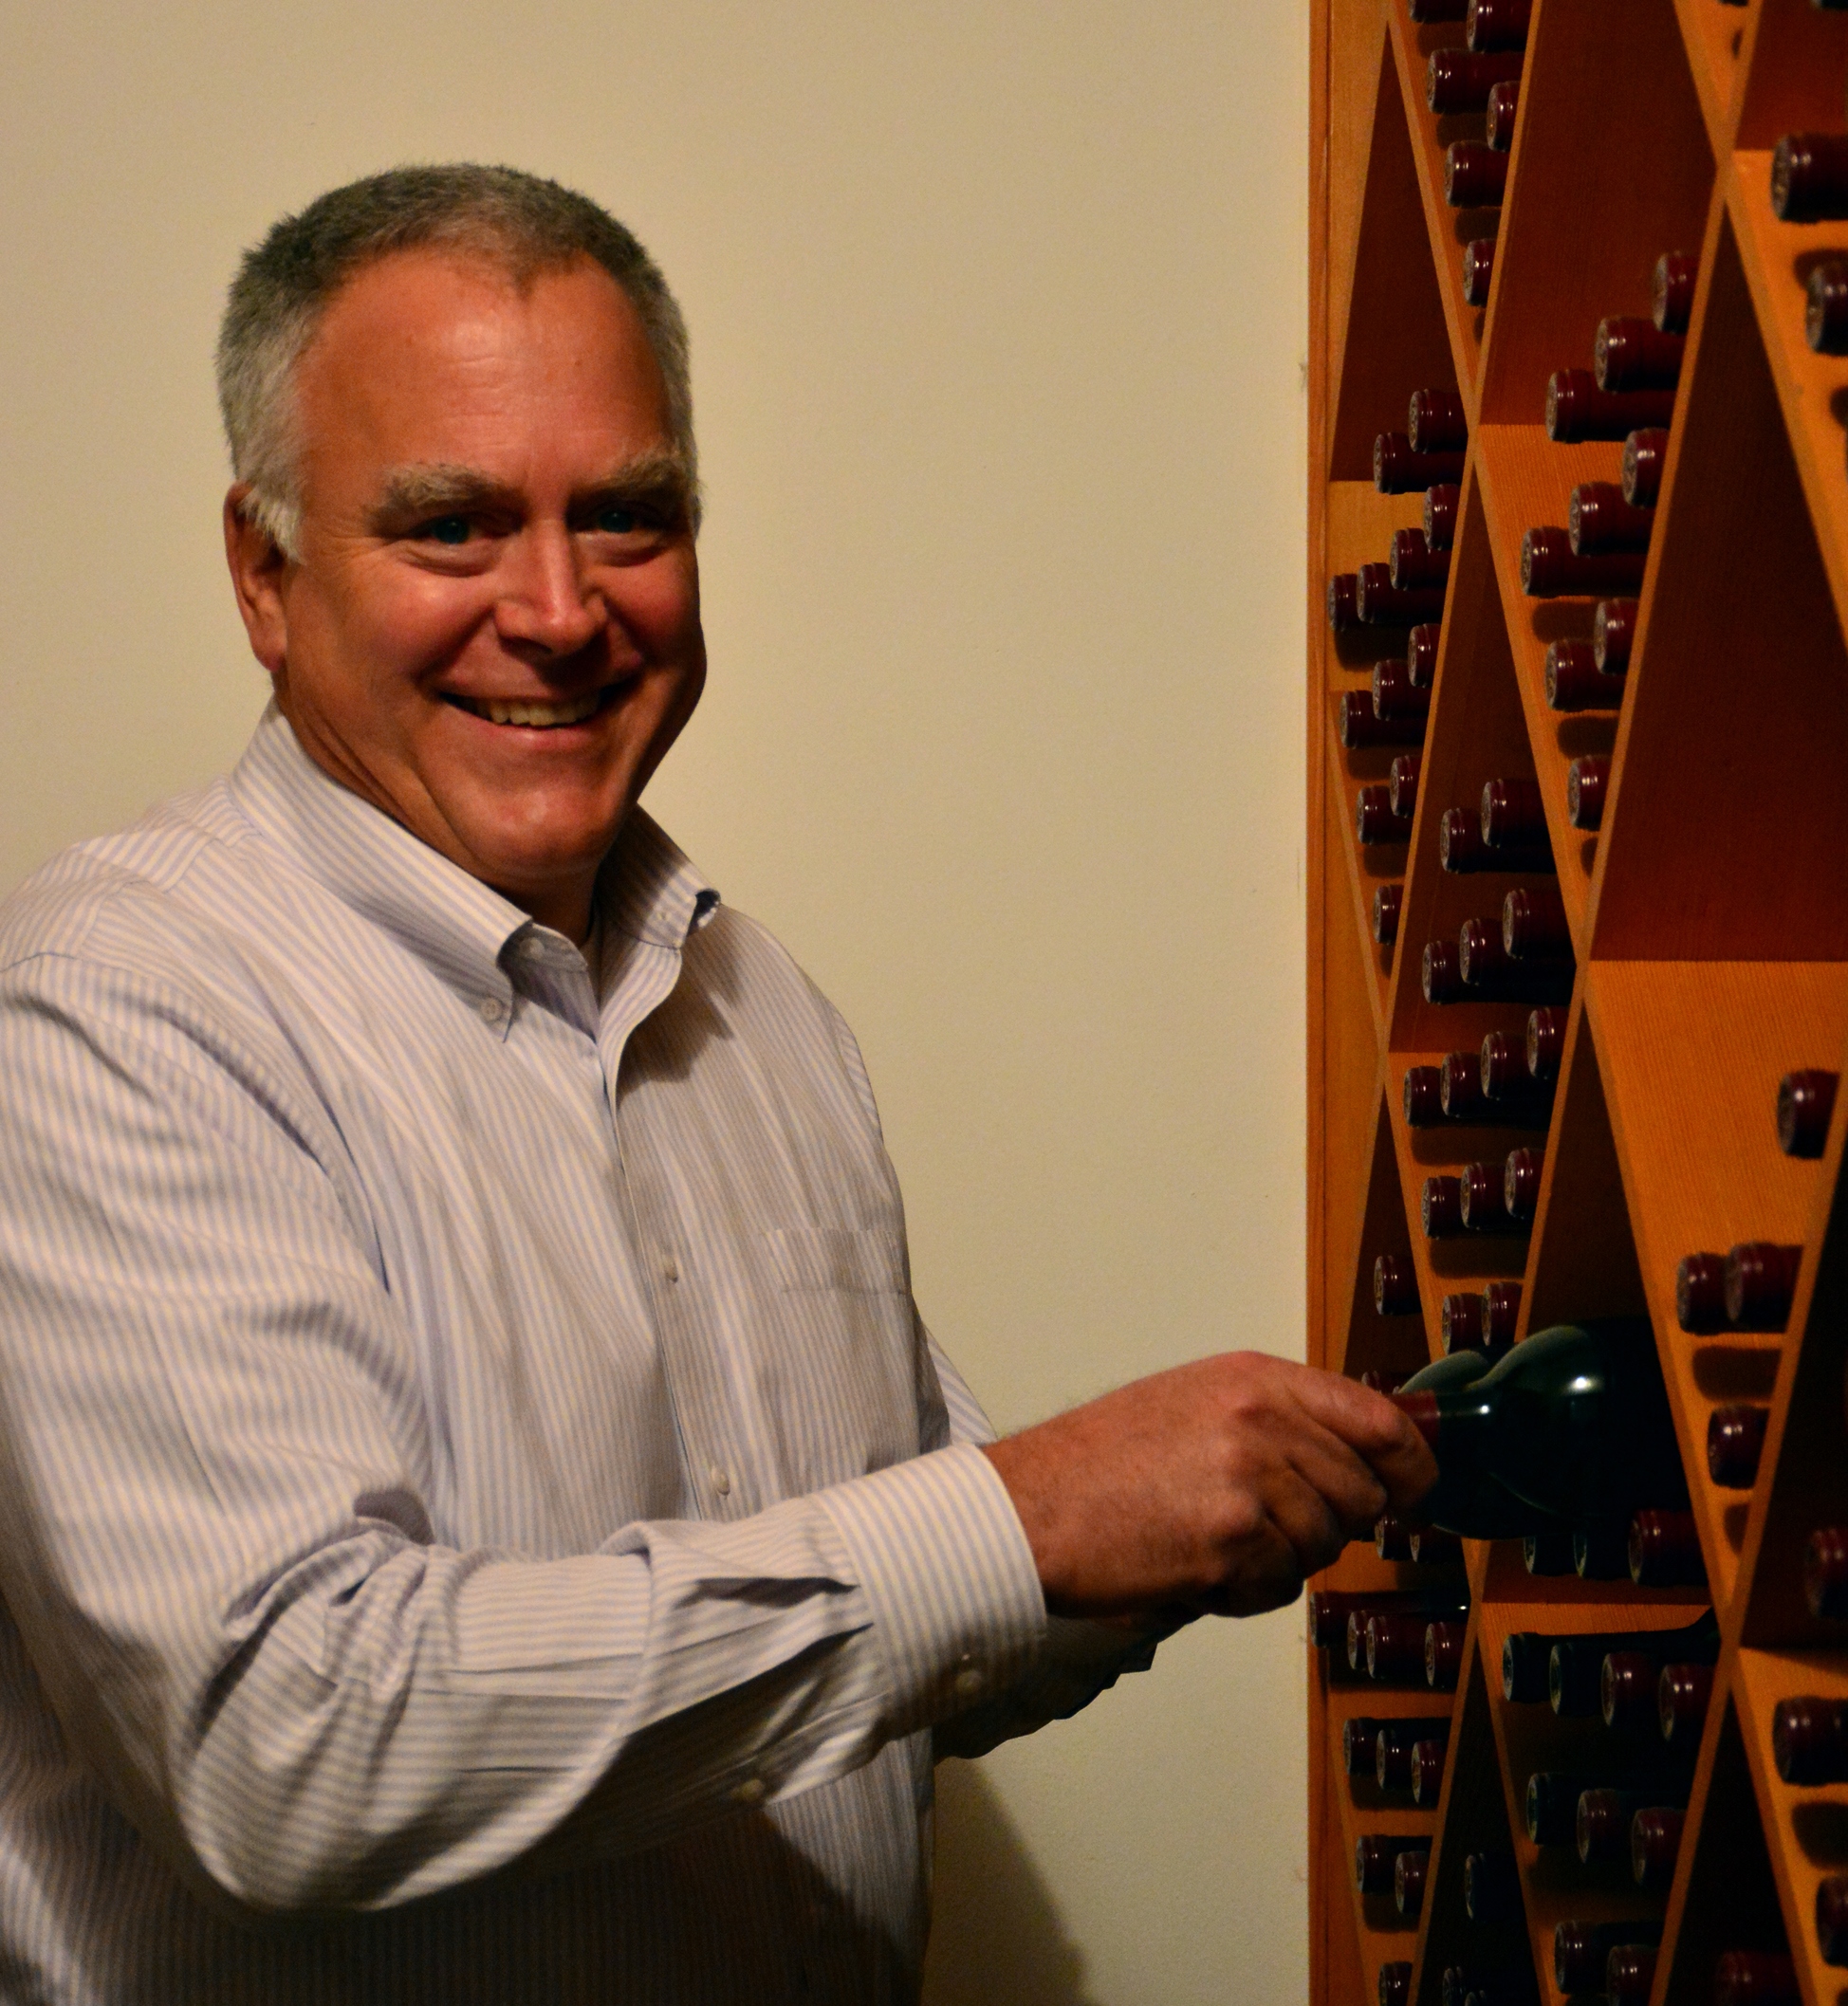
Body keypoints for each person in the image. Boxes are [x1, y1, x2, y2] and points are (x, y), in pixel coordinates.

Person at [0, 165, 1432, 2003]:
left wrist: (1184, 1514)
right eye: (450, 528)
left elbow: (911, 1608)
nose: (558, 606)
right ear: (262, 573)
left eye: (626, 515)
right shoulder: (121, 1011)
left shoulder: (754, 1004)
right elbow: (291, 1739)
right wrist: (1024, 1513)